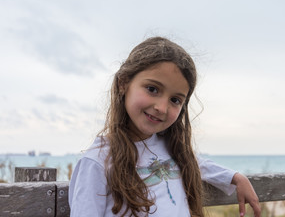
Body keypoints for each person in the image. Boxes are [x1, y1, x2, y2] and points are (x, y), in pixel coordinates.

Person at [68, 37, 261, 217]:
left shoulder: (173, 151)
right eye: (152, 89)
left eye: (175, 100)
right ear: (123, 83)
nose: (161, 107)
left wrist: (235, 177)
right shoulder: (97, 161)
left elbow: (198, 164)